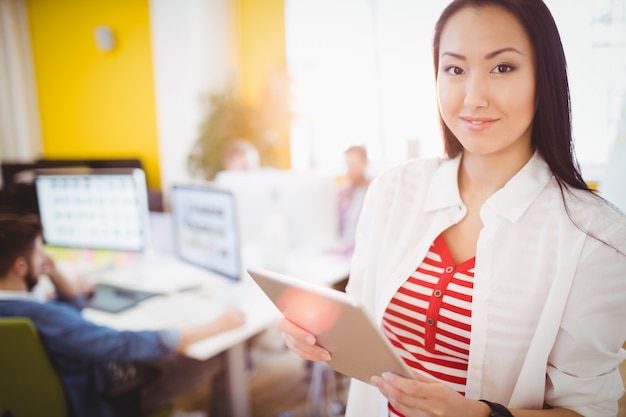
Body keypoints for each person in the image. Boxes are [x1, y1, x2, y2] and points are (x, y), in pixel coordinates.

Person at [278, 1, 626, 416]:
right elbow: (360, 326)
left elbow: (593, 410)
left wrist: (480, 415)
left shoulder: (594, 236)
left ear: (543, 77)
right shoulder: (393, 190)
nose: (473, 98)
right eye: (455, 70)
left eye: (502, 68)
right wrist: (317, 336)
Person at [0, 213, 246, 417]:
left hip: (41, 398)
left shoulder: (18, 308)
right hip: (99, 398)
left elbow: (71, 311)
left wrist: (51, 271)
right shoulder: (42, 315)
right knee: (212, 357)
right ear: (20, 267)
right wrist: (216, 325)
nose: (44, 259)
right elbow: (121, 345)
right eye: (38, 253)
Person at [337, 145, 371, 255]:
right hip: (343, 248)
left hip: (363, 249)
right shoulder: (342, 192)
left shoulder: (373, 190)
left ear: (365, 163)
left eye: (354, 165)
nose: (351, 170)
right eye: (348, 165)